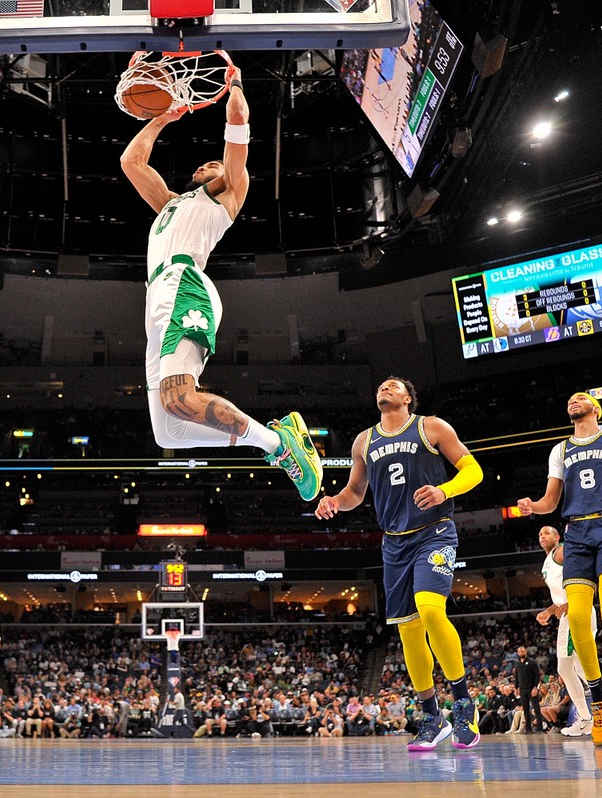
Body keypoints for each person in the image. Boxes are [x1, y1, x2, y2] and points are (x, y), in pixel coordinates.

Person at [119, 56, 323, 502]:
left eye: (214, 163)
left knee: (180, 399)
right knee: (169, 431)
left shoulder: (229, 191)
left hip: (183, 286)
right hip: (159, 295)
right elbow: (132, 162)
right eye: (205, 163)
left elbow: (237, 123)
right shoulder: (174, 203)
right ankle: (279, 440)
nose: (206, 164)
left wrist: (234, 86)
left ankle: (279, 447)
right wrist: (163, 118)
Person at [316, 377, 484, 751]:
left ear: (408, 397)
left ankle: (462, 704)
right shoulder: (364, 440)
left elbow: (473, 471)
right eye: (380, 385)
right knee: (408, 630)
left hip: (434, 532)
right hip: (394, 543)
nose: (384, 388)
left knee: (430, 609)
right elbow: (355, 493)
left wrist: (444, 490)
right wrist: (333, 502)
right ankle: (431, 716)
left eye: (393, 385)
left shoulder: (431, 426)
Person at [518, 391, 602, 747]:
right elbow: (551, 501)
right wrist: (533, 506)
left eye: (580, 398)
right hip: (576, 533)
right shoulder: (560, 449)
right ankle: (599, 706)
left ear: (595, 408)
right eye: (569, 400)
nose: (572, 402)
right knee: (577, 618)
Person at [535, 525, 602, 737]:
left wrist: (574, 601)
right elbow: (560, 596)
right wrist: (549, 612)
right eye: (540, 534)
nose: (542, 536)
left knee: (578, 668)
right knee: (569, 669)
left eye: (546, 533)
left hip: (577, 609)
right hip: (567, 613)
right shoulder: (548, 561)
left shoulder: (561, 551)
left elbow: (584, 571)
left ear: (557, 537)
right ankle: (590, 717)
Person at [514, 646, 544, 733]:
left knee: (536, 708)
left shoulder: (532, 662)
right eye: (520, 652)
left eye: (523, 651)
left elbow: (537, 676)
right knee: (525, 709)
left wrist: (535, 687)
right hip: (522, 689)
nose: (521, 653)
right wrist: (516, 687)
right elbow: (516, 677)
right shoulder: (517, 664)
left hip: (531, 688)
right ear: (518, 653)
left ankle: (539, 728)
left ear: (526, 652)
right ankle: (528, 729)